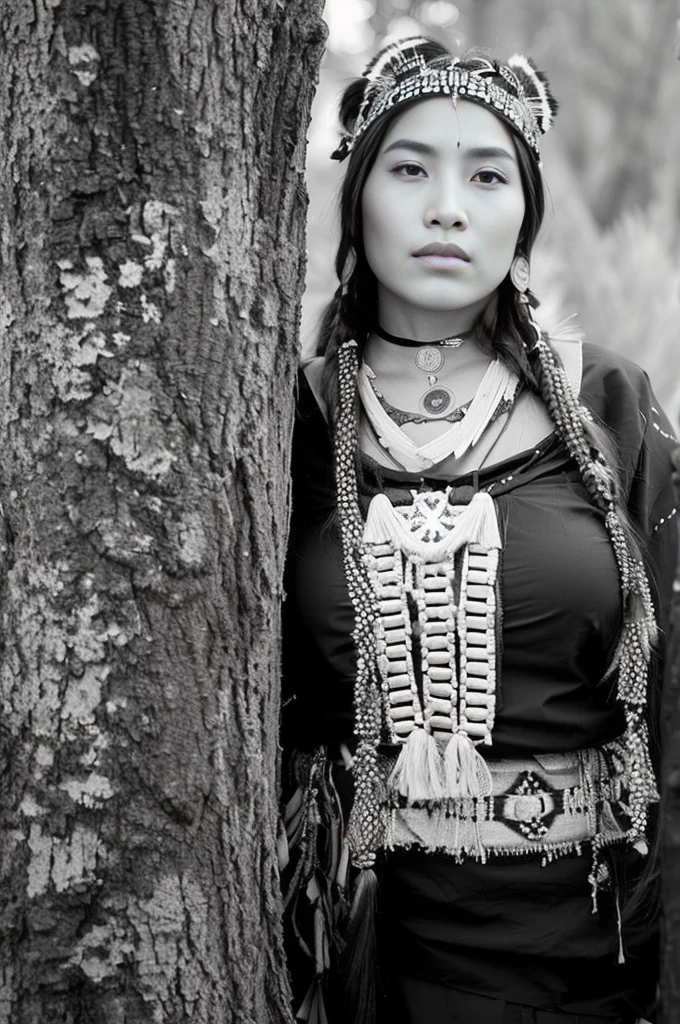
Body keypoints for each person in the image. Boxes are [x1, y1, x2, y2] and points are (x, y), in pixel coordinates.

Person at [280, 36, 677, 1024]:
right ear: (359, 195)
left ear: (522, 214)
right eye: (409, 168)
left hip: (586, 959)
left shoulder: (609, 409)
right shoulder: (287, 421)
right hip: (358, 954)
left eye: (486, 173)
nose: (446, 206)